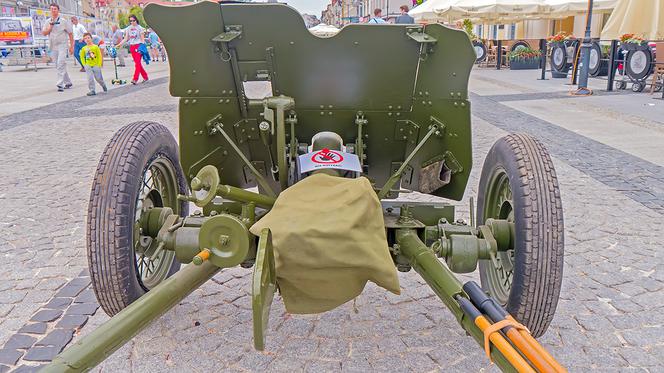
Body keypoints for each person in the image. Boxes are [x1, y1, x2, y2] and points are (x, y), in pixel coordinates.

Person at [42, 3, 74, 92]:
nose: (53, 10)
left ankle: (60, 84)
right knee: (58, 65)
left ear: (58, 10)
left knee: (61, 63)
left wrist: (72, 46)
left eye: (55, 9)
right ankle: (68, 82)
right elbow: (44, 33)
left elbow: (70, 33)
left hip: (62, 45)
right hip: (53, 45)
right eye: (51, 9)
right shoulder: (47, 21)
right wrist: (50, 26)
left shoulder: (63, 21)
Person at [116, 15, 148, 84]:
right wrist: (119, 44)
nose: (132, 22)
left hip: (139, 46)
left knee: (137, 63)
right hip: (132, 46)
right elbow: (126, 38)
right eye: (130, 21)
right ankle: (145, 77)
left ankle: (135, 79)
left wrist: (141, 47)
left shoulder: (140, 28)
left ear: (136, 20)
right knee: (137, 63)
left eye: (133, 20)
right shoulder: (128, 28)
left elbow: (142, 38)